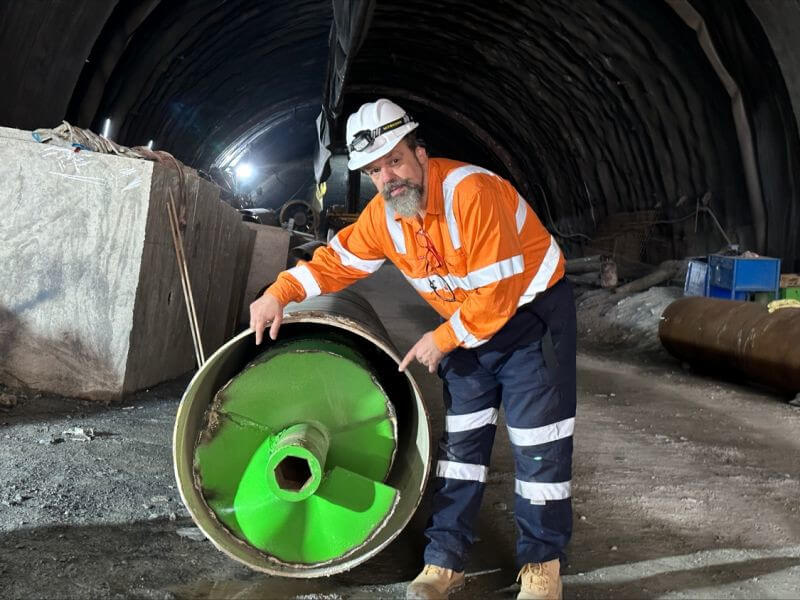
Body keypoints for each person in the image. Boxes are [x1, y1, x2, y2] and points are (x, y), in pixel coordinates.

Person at [249, 98, 576, 600]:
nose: (389, 178)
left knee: (538, 447)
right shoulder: (386, 216)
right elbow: (334, 264)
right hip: (467, 327)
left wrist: (440, 340)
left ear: (420, 154)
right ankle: (445, 562)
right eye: (375, 170)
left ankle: (542, 566)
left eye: (395, 161)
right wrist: (278, 294)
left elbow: (498, 294)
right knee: (461, 448)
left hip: (530, 323)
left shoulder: (472, 194)